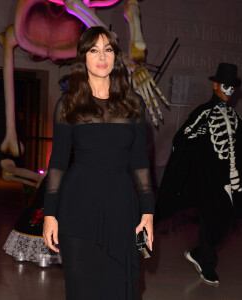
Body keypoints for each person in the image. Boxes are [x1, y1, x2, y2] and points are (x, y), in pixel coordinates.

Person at [43, 26, 154, 300]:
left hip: (120, 205)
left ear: (116, 56)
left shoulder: (134, 104)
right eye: (94, 50)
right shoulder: (68, 104)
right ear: (84, 57)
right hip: (77, 205)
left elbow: (140, 163)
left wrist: (148, 214)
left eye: (108, 49)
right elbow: (57, 163)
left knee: (119, 286)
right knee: (82, 288)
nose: (101, 56)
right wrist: (49, 214)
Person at [157, 63, 242, 285]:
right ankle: (207, 263)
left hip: (228, 179)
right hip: (208, 179)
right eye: (224, 86)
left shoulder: (234, 116)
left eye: (231, 87)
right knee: (210, 220)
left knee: (225, 223)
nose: (228, 91)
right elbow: (182, 137)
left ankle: (199, 253)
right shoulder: (204, 113)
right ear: (216, 85)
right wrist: (196, 134)